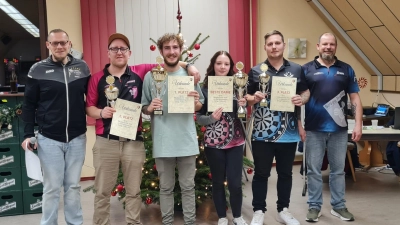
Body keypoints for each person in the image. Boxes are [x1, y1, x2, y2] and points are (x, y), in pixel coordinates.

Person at [85, 33, 202, 225]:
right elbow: (89, 107)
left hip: (133, 141)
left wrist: (190, 65)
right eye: (114, 48)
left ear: (129, 53)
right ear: (108, 53)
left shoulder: (141, 72)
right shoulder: (97, 78)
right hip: (106, 140)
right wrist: (101, 113)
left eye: (123, 49)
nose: (119, 52)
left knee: (134, 191)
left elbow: (170, 63)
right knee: (102, 191)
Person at [21, 29, 91, 225]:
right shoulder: (37, 70)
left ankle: (74, 223)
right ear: (48, 45)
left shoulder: (83, 68)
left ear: (69, 44)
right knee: (51, 187)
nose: (60, 46)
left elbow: (92, 97)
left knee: (73, 186)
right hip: (49, 139)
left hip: (77, 137)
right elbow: (28, 105)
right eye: (55, 43)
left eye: (63, 42)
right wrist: (27, 134)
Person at [245, 30, 310, 225]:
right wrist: (253, 98)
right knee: (261, 173)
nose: (274, 46)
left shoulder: (297, 69)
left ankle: (284, 209)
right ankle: (258, 210)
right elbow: (245, 98)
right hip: (262, 132)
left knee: (285, 173)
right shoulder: (256, 71)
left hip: (288, 132)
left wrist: (302, 99)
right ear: (265, 47)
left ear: (283, 45)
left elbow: (306, 92)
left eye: (277, 43)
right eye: (270, 44)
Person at [141, 33, 204, 225]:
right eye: (167, 48)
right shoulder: (150, 77)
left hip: (186, 140)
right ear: (161, 51)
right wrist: (149, 108)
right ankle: (167, 222)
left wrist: (195, 103)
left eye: (175, 47)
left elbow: (200, 104)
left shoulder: (189, 75)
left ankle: (190, 222)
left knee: (188, 187)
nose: (171, 51)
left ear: (181, 50)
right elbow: (144, 107)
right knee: (166, 188)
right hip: (163, 140)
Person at [302, 32, 362, 222]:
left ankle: (338, 206)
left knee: (338, 170)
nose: (328, 47)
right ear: (318, 46)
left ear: (336, 47)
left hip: (339, 130)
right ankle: (314, 206)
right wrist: (299, 126)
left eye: (332, 44)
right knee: (313, 170)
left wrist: (358, 123)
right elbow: (300, 97)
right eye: (325, 44)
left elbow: (355, 99)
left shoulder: (346, 69)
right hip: (313, 129)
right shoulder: (306, 69)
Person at [196, 51, 248, 225]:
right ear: (213, 65)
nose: (223, 67)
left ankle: (238, 216)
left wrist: (243, 108)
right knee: (218, 182)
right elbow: (199, 118)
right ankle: (222, 217)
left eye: (226, 64)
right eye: (219, 63)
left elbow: (244, 117)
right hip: (213, 143)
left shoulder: (238, 86)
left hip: (235, 141)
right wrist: (212, 119)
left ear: (230, 66)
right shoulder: (204, 88)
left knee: (234, 183)